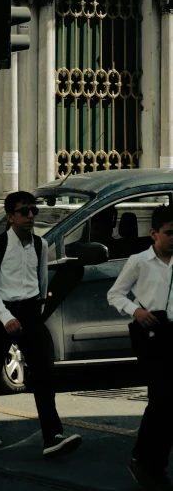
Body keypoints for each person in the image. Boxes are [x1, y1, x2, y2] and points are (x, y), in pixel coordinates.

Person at [0, 191, 82, 457]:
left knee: (44, 374)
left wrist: (35, 313)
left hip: (29, 312)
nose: (30, 216)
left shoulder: (40, 245)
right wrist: (6, 318)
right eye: (24, 211)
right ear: (11, 216)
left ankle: (53, 435)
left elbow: (42, 283)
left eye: (33, 211)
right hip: (0, 312)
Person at [107, 205, 173, 490]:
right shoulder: (140, 261)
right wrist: (136, 311)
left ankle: (154, 464)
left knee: (169, 403)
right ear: (153, 233)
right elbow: (115, 294)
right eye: (169, 233)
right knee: (161, 398)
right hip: (150, 331)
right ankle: (143, 460)